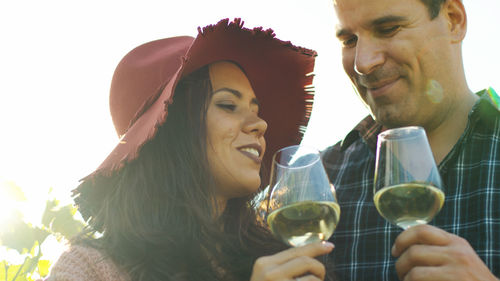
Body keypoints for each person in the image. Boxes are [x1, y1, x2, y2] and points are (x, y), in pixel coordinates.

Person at [46, 18, 337, 281]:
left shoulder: (278, 257)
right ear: (172, 130)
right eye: (227, 105)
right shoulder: (90, 269)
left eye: (256, 109)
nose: (260, 124)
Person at [322, 0, 500, 280]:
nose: (363, 63)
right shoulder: (322, 182)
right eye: (349, 40)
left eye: (388, 28)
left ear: (453, 20)